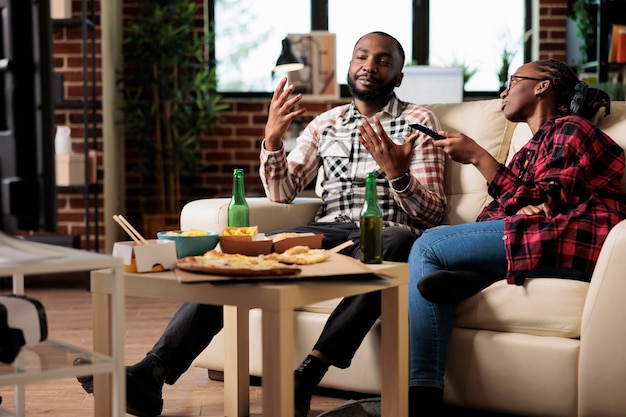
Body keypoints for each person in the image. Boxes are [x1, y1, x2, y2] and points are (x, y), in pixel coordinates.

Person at [75, 31, 447, 417]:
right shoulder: (325, 123)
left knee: (400, 239)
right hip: (327, 230)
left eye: (383, 60)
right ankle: (153, 373)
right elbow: (283, 192)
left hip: (386, 232)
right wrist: (272, 141)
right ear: (351, 67)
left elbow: (432, 214)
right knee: (241, 250)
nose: (370, 66)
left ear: (399, 76)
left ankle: (306, 375)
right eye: (362, 57)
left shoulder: (418, 121)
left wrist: (397, 175)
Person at [407, 58, 626, 416]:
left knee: (428, 245)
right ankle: (475, 277)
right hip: (541, 237)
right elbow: (511, 207)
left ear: (543, 86)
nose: (503, 91)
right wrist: (522, 204)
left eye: (512, 80)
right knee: (437, 254)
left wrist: (479, 156)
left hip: (575, 237)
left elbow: (550, 196)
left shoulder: (571, 127)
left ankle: (422, 398)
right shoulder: (530, 150)